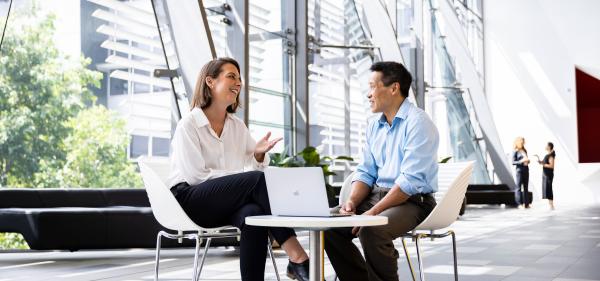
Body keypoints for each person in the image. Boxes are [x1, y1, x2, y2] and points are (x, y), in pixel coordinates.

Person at [167, 57, 309, 281]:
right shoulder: (189, 125)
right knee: (254, 181)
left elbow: (255, 168)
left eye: (240, 79)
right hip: (190, 202)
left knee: (254, 215)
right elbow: (196, 176)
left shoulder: (236, 126)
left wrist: (258, 155)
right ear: (210, 82)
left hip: (225, 204)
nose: (238, 83)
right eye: (231, 76)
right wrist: (244, 180)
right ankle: (298, 256)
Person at [324, 61, 439, 281]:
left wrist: (372, 213)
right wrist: (352, 203)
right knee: (328, 225)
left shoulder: (418, 123)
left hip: (412, 202)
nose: (368, 95)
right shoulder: (374, 125)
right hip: (376, 197)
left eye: (372, 86)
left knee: (372, 228)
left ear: (394, 88)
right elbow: (366, 172)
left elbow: (407, 184)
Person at [512, 137, 530, 208]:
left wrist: (528, 161)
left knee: (526, 187)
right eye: (522, 141)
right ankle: (519, 204)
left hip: (526, 169)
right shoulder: (515, 151)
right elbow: (513, 162)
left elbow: (526, 159)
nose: (524, 142)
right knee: (518, 187)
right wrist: (521, 161)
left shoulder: (524, 150)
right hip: (519, 171)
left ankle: (526, 204)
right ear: (519, 142)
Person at [537, 142, 556, 210]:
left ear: (549, 147)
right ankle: (550, 204)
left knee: (549, 189)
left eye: (546, 145)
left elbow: (551, 166)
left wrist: (543, 164)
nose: (545, 146)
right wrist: (540, 162)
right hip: (545, 174)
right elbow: (545, 163)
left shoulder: (551, 155)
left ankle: (551, 205)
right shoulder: (547, 155)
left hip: (548, 174)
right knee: (547, 189)